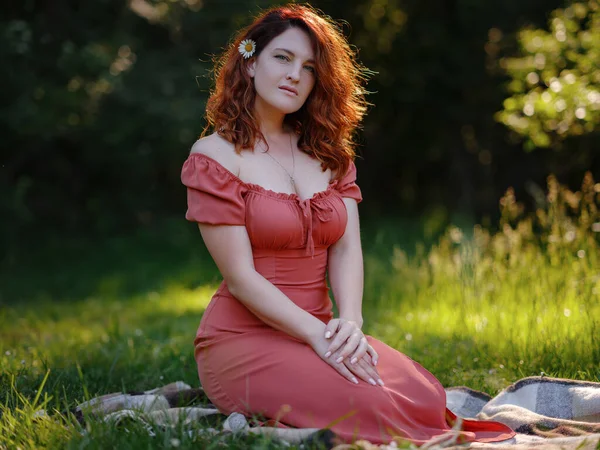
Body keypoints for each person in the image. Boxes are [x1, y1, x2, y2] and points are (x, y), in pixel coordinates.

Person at [180, 4, 515, 446]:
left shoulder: (328, 153)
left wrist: (351, 324)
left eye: (309, 68)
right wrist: (318, 337)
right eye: (283, 58)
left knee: (424, 395)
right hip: (241, 341)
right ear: (251, 59)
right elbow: (240, 279)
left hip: (321, 330)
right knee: (374, 408)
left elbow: (345, 248)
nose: (295, 75)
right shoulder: (214, 157)